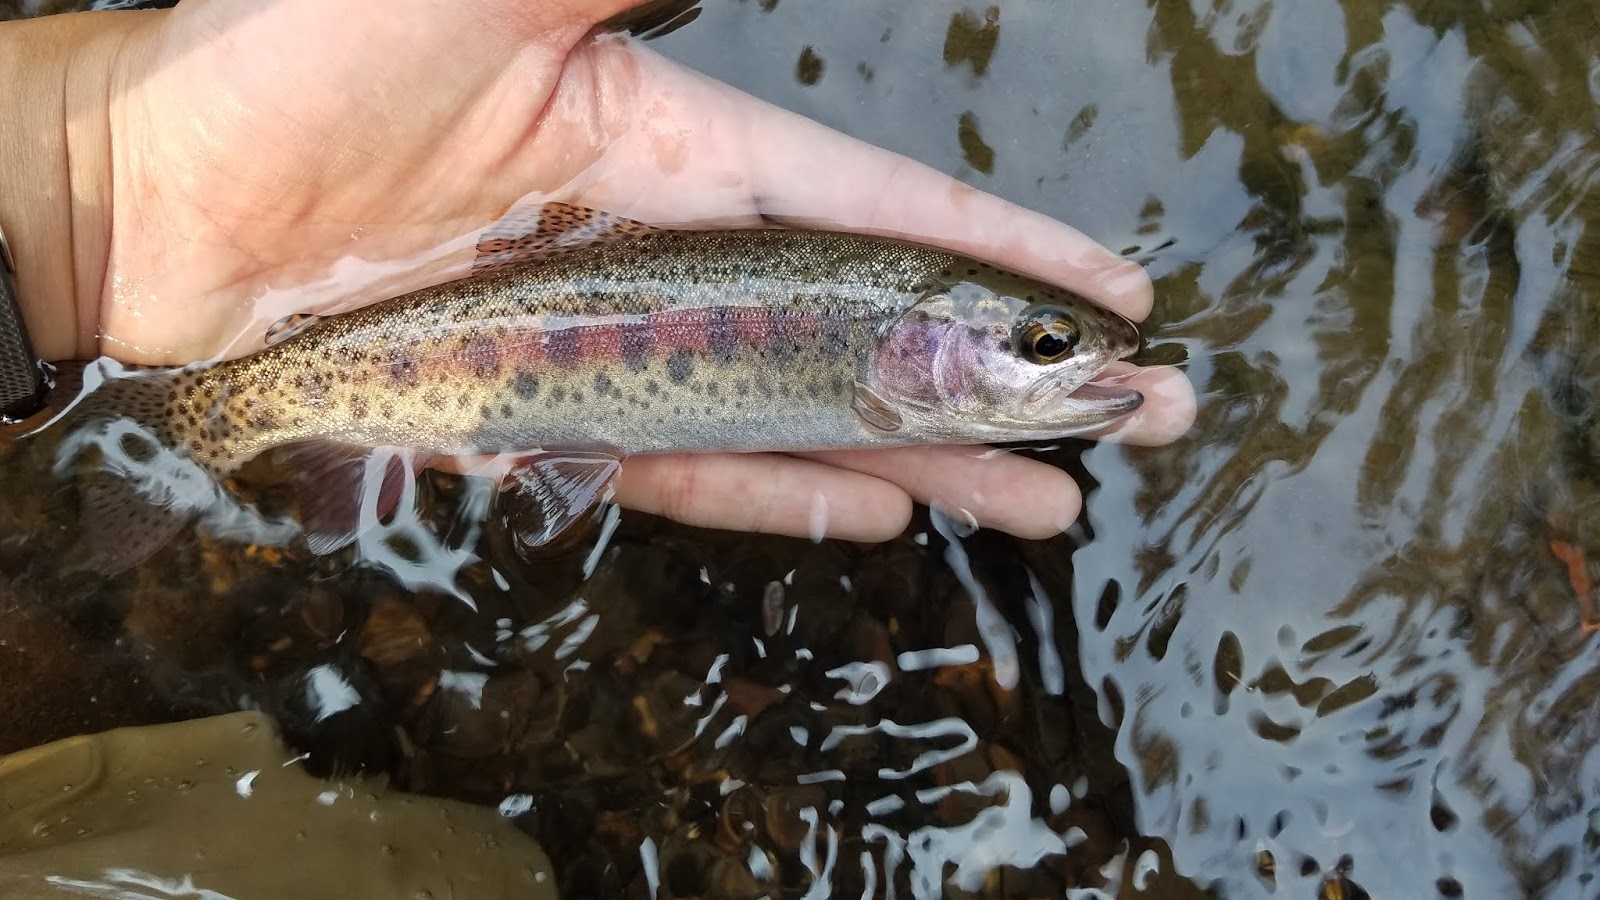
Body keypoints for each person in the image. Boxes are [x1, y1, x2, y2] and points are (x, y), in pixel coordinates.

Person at [0, 0, 1193, 544]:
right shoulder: (867, 339)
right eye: (1043, 346)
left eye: (1047, 351)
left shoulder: (877, 338)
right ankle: (193, 428)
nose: (1073, 364)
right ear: (919, 340)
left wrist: (95, 163)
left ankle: (166, 439)